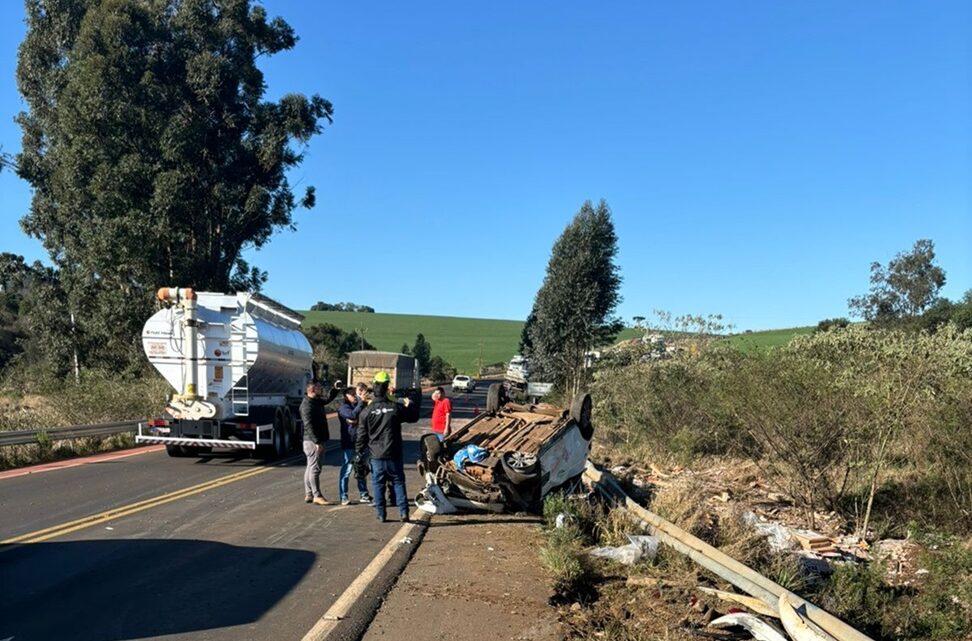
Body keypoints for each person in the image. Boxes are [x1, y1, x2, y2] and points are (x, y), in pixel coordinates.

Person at [355, 371, 416, 523]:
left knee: (378, 484)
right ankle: (404, 513)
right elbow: (413, 417)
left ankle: (381, 514)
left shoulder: (366, 411)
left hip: (376, 455)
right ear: (387, 387)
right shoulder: (395, 408)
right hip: (394, 453)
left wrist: (358, 453)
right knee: (398, 483)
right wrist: (410, 404)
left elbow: (361, 436)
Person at [299, 379, 343, 505]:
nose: (321, 389)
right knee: (315, 469)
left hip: (313, 440)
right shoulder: (307, 405)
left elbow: (327, 399)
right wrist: (317, 442)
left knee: (310, 467)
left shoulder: (315, 401)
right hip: (313, 441)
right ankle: (317, 495)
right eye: (319, 388)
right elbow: (308, 425)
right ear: (312, 390)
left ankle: (309, 494)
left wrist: (335, 389)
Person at [337, 387, 371, 505]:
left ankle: (364, 494)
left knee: (361, 469)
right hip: (349, 443)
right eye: (352, 394)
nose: (355, 396)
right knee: (347, 470)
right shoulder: (343, 408)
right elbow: (351, 415)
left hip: (362, 443)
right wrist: (361, 404)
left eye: (355, 394)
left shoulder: (360, 406)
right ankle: (343, 495)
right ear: (346, 396)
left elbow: (365, 418)